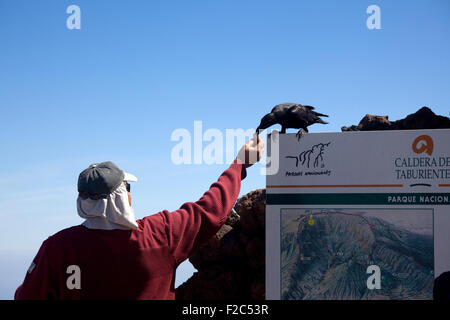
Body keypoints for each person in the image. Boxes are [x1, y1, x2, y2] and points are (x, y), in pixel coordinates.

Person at [14, 137, 264, 300]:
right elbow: (211, 209)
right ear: (120, 198)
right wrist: (240, 164)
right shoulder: (160, 235)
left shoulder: (57, 248)